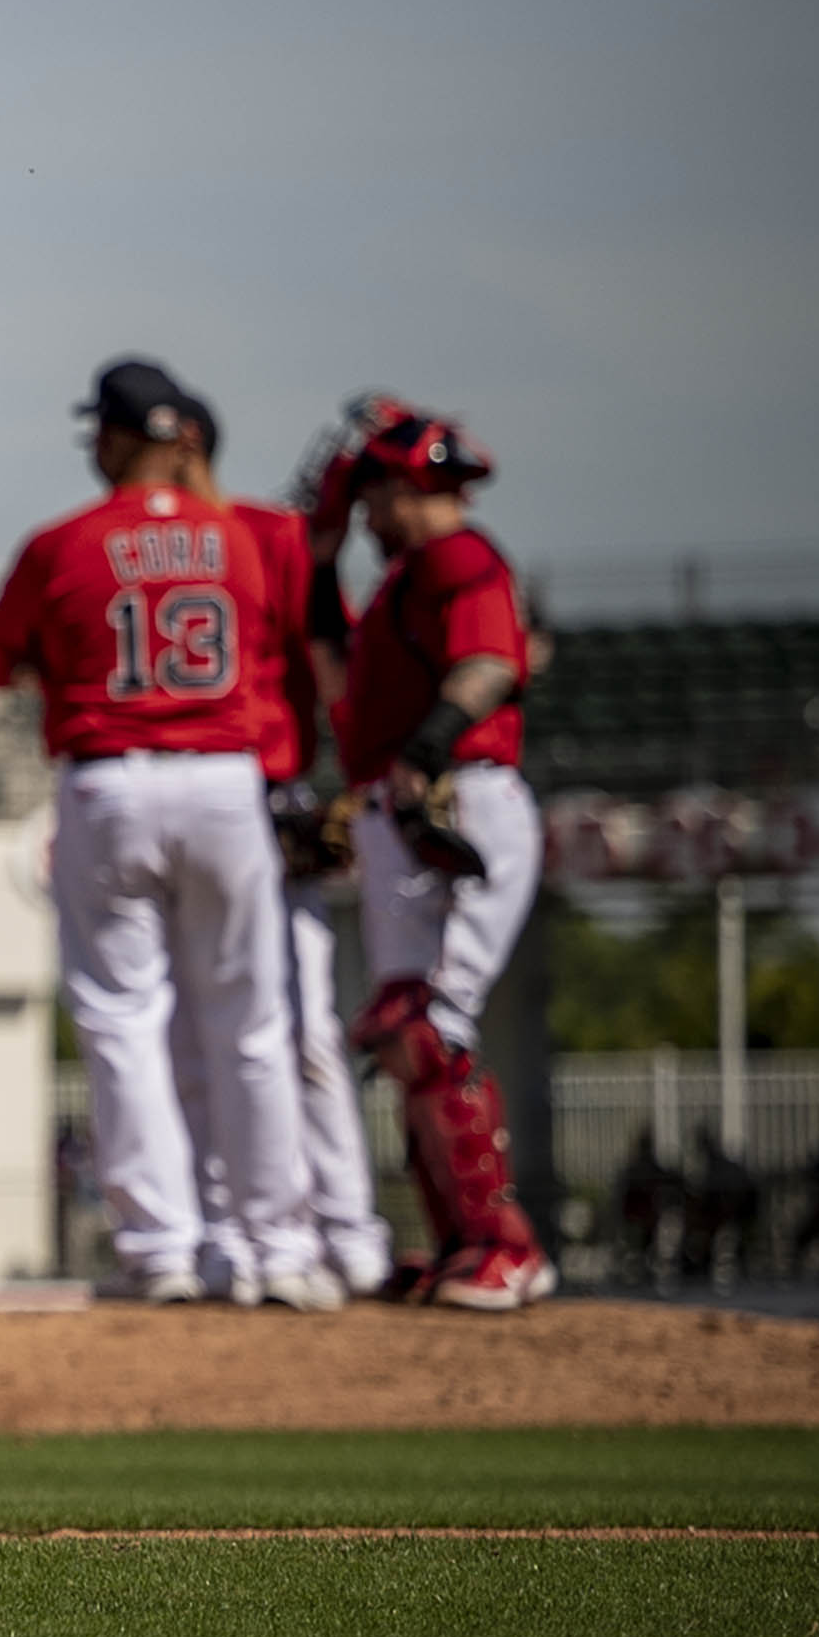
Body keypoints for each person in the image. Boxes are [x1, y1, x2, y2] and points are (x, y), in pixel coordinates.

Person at [0, 358, 332, 1309]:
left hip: (112, 782)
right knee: (252, 1024)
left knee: (123, 1021)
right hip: (225, 780)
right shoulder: (238, 541)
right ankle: (280, 1249)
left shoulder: (64, 544)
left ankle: (165, 1248)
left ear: (118, 438)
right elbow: (271, 654)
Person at [333, 404, 555, 1310]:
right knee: (400, 1030)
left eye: (374, 491)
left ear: (406, 484)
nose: (364, 511)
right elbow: (336, 668)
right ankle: (461, 1245)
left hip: (462, 794)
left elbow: (493, 662)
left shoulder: (460, 556)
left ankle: (508, 1248)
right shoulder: (405, 579)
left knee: (433, 1027)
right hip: (409, 803)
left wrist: (423, 757)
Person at [175, 397, 391, 1297]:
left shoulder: (272, 537)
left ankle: (346, 1232)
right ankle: (223, 1233)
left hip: (273, 793)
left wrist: (347, 785)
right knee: (198, 1035)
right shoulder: (151, 547)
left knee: (303, 1032)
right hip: (196, 800)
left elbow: (334, 666)